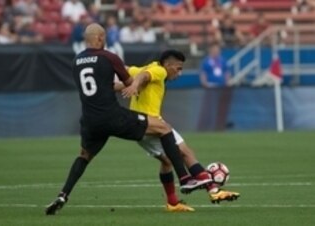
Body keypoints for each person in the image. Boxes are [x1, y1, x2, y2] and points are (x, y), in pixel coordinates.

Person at [45, 23, 211, 215]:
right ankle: (185, 178)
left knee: (84, 157)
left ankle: (63, 194)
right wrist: (136, 85)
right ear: (100, 38)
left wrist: (128, 83)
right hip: (112, 116)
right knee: (164, 128)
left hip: (90, 120)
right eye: (104, 37)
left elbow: (104, 86)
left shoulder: (76, 61)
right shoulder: (109, 57)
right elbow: (132, 82)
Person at [119, 50, 240, 212]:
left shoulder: (145, 68)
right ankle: (212, 190)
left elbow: (128, 70)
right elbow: (144, 76)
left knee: (168, 161)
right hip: (151, 124)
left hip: (141, 127)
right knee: (185, 152)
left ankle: (173, 203)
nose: (180, 73)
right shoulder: (159, 70)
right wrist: (134, 84)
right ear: (168, 65)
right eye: (178, 68)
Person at [198, 42, 233, 131]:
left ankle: (220, 125)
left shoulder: (222, 60)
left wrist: (227, 82)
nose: (216, 52)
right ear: (210, 50)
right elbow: (203, 73)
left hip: (221, 87)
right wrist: (204, 83)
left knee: (221, 107)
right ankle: (208, 126)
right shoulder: (206, 61)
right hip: (211, 88)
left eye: (217, 50)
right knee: (210, 108)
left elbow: (227, 72)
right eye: (214, 50)